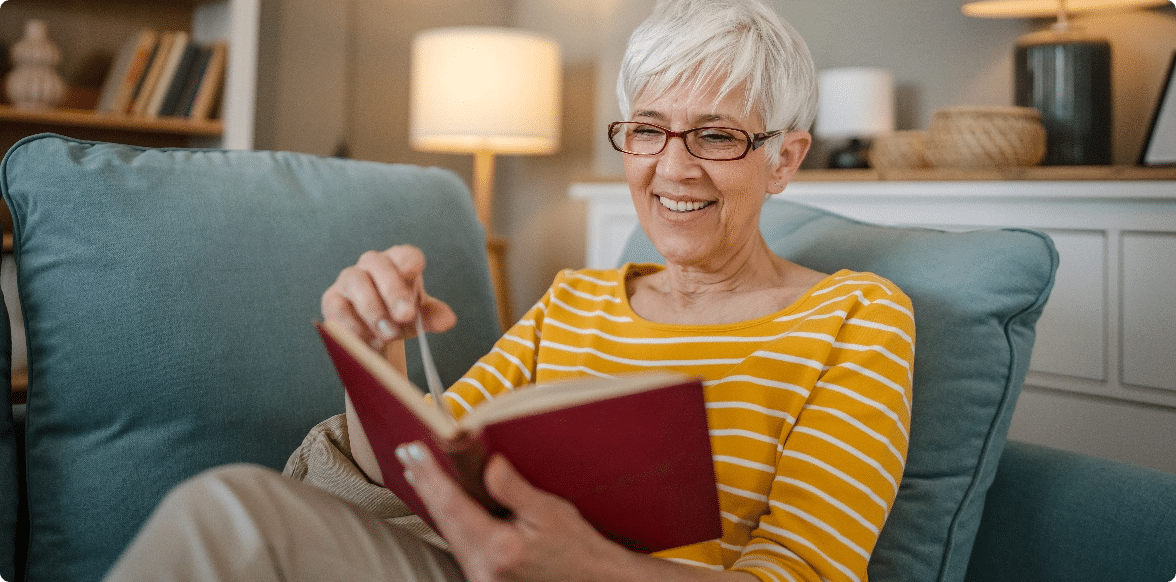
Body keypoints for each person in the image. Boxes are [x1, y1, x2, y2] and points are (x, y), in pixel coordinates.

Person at [104, 0, 915, 580]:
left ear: (784, 159)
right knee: (233, 509)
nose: (673, 166)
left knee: (235, 513)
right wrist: (375, 352)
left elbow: (805, 572)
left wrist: (589, 567)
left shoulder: (856, 319)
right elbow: (420, 467)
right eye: (647, 129)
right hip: (456, 565)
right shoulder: (573, 300)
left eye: (715, 135)